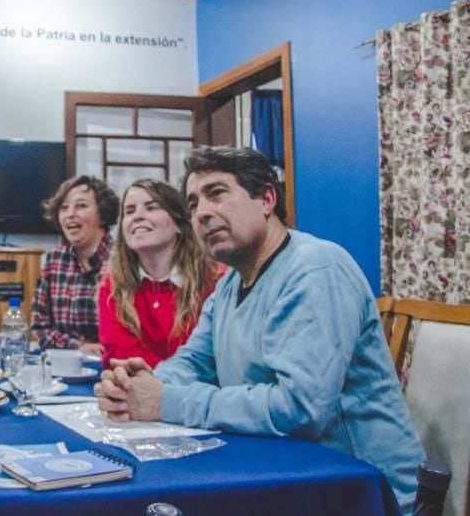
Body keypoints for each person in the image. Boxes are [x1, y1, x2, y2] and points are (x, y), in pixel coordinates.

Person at [94, 147, 424, 512]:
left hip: (360, 492)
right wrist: (139, 383)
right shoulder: (230, 283)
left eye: (217, 193)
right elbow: (193, 361)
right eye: (192, 203)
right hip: (282, 476)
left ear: (267, 199)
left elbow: (299, 407)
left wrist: (165, 400)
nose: (201, 213)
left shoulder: (315, 269)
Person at [97, 179, 222, 369]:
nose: (137, 216)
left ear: (179, 224)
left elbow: (209, 358)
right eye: (129, 211)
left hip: (197, 393)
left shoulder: (214, 280)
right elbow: (119, 353)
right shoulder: (112, 286)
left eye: (151, 207)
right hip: (137, 392)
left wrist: (162, 385)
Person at [31, 175, 119, 355]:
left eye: (81, 206)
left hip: (113, 366)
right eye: (64, 207)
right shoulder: (54, 260)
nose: (70, 214)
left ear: (102, 214)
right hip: (63, 365)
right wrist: (78, 347)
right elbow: (40, 327)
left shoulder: (124, 259)